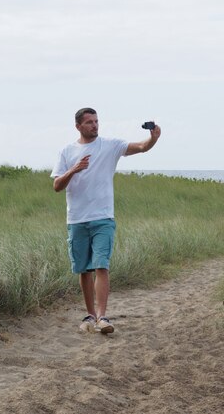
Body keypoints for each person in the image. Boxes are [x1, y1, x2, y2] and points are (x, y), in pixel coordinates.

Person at [51, 107, 161, 334]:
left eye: (96, 121)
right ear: (78, 126)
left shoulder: (110, 145)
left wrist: (153, 138)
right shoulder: (67, 151)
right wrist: (74, 169)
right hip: (77, 219)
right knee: (84, 270)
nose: (95, 125)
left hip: (103, 218)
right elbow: (57, 186)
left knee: (102, 265)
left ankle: (102, 317)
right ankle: (90, 314)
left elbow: (140, 147)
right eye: (89, 122)